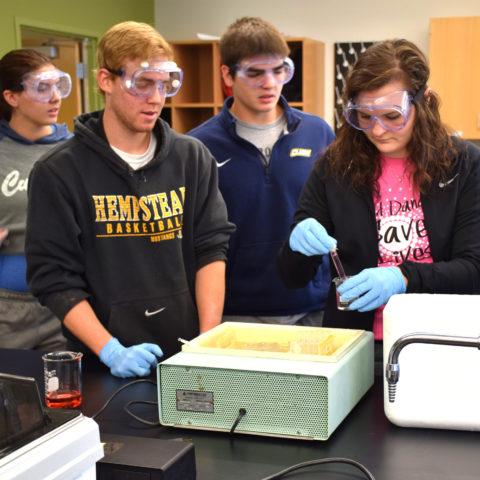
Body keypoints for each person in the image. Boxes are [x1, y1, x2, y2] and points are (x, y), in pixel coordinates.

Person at [25, 21, 234, 378]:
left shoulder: (192, 158)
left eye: (165, 84)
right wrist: (109, 349)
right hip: (101, 363)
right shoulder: (58, 171)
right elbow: (54, 278)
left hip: (187, 355)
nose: (156, 97)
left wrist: (206, 341)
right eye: (142, 82)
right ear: (106, 80)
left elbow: (211, 248)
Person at [277, 39, 480, 339]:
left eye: (392, 116)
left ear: (422, 102)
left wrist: (403, 277)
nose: (377, 129)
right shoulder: (334, 167)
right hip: (357, 345)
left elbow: (473, 270)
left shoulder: (463, 164)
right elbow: (293, 277)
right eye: (364, 116)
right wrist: (297, 248)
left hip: (442, 341)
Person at [188, 17, 335, 326]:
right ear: (227, 75)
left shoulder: (318, 132)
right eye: (254, 73)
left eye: (278, 70)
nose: (269, 83)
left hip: (312, 308)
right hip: (234, 313)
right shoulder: (198, 146)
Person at [0, 49, 73, 350]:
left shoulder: (76, 151)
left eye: (58, 86)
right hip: (6, 309)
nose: (55, 97)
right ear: (11, 97)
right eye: (43, 88)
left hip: (68, 303)